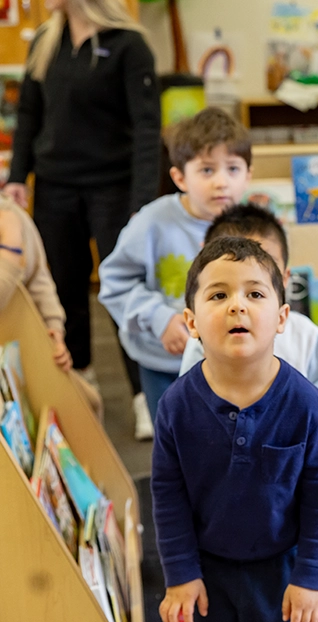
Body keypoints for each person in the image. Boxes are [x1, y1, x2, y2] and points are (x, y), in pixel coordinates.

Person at [152, 236, 318, 622]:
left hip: (285, 572)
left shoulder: (305, 402)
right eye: (219, 294)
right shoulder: (176, 405)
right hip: (208, 575)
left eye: (254, 293)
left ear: (281, 318)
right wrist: (180, 572)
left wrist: (312, 579)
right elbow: (167, 493)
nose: (237, 305)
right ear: (192, 322)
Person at [3, 0, 160, 437]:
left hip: (113, 187)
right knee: (66, 289)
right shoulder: (45, 41)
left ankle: (143, 395)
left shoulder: (129, 46)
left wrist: (142, 199)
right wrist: (18, 177)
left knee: (121, 292)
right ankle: (81, 382)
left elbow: (148, 127)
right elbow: (29, 116)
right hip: (55, 186)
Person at [99, 108, 251, 426]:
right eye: (207, 170)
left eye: (233, 169)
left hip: (234, 363)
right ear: (180, 177)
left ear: (248, 175)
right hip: (164, 364)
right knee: (175, 448)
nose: (222, 182)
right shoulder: (150, 223)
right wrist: (158, 317)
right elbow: (115, 282)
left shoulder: (254, 225)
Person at [0, 194, 102, 414]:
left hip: (19, 348)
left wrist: (54, 328)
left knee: (88, 403)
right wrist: (10, 247)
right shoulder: (10, 223)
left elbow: (39, 278)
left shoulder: (10, 212)